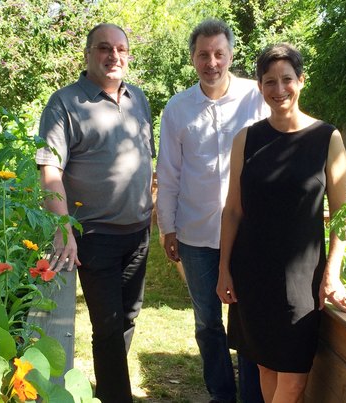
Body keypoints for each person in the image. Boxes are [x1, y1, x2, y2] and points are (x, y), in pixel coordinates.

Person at [216, 43, 346, 403]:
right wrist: (224, 270)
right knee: (266, 367)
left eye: (286, 79)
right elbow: (233, 210)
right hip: (253, 273)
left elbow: (342, 216)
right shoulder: (246, 140)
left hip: (302, 279)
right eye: (269, 82)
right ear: (260, 87)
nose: (279, 90)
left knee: (294, 380)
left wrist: (333, 273)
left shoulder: (328, 139)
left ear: (301, 81)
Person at [36, 23, 154, 403]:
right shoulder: (64, 104)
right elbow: (50, 172)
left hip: (138, 231)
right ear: (88, 53)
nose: (113, 56)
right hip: (95, 235)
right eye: (104, 48)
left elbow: (143, 158)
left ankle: (108, 387)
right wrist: (63, 228)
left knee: (128, 317)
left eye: (120, 49)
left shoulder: (138, 99)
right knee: (107, 325)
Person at [156, 19, 268, 403]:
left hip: (250, 233)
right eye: (203, 54)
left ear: (231, 55)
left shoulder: (258, 97)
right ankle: (222, 393)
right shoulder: (177, 108)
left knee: (250, 319)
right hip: (196, 235)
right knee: (207, 321)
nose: (212, 62)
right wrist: (167, 228)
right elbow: (168, 173)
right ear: (192, 59)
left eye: (219, 53)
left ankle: (252, 394)